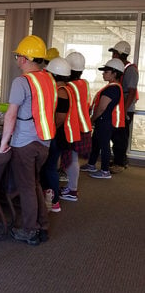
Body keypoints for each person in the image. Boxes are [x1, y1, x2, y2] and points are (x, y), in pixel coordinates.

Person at [0, 35, 57, 246]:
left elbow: (11, 115)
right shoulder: (49, 79)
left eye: (17, 55)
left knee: (26, 187)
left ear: (24, 58)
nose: (16, 59)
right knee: (34, 183)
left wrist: (5, 142)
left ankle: (30, 230)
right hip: (44, 141)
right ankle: (42, 225)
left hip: (24, 142)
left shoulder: (22, 81)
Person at [40, 57, 80, 212]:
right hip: (60, 135)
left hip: (57, 135)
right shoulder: (67, 88)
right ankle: (50, 196)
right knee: (49, 166)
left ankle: (54, 200)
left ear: (54, 75)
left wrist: (49, 132)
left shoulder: (61, 92)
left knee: (49, 167)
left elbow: (60, 117)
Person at [80, 59, 125, 179]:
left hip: (105, 121)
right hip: (104, 121)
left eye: (106, 71)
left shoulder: (112, 89)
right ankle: (91, 164)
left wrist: (92, 119)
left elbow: (101, 108)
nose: (103, 73)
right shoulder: (113, 87)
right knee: (96, 143)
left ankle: (105, 171)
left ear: (115, 73)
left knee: (104, 145)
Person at [59, 52, 92, 202]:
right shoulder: (84, 83)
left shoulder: (68, 87)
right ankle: (71, 187)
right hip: (84, 125)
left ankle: (72, 191)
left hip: (72, 127)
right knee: (74, 159)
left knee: (72, 159)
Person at [108, 41, 139, 173]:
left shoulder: (130, 70)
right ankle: (120, 159)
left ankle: (119, 163)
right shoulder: (122, 69)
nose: (112, 56)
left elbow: (131, 91)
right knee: (117, 135)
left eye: (114, 53)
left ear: (120, 54)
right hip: (120, 108)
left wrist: (124, 111)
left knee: (121, 136)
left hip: (125, 109)